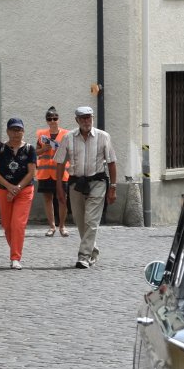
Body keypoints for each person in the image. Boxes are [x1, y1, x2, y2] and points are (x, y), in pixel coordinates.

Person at [57, 105, 118, 269]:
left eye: (89, 118)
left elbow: (112, 162)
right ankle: (93, 250)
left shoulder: (103, 136)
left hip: (97, 182)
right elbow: (60, 163)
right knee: (80, 220)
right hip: (76, 183)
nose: (86, 121)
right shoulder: (68, 138)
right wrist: (59, 187)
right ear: (77, 120)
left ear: (92, 118)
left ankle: (83, 256)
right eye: (83, 118)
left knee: (91, 220)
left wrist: (113, 187)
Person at [0, 117, 37, 269]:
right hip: (4, 189)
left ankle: (15, 257)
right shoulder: (0, 148)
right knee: (7, 225)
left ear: (23, 131)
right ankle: (15, 249)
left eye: (19, 130)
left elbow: (31, 172)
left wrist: (17, 188)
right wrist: (9, 187)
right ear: (8, 131)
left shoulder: (29, 149)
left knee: (18, 224)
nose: (16, 133)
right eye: (13, 130)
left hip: (24, 190)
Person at [35, 108, 71, 237]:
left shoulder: (66, 134)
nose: (52, 121)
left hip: (61, 173)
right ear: (46, 120)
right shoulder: (41, 135)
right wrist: (43, 149)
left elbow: (71, 152)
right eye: (49, 119)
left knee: (62, 199)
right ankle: (52, 226)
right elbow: (35, 152)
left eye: (55, 118)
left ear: (58, 119)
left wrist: (60, 149)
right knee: (47, 199)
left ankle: (62, 226)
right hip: (45, 172)